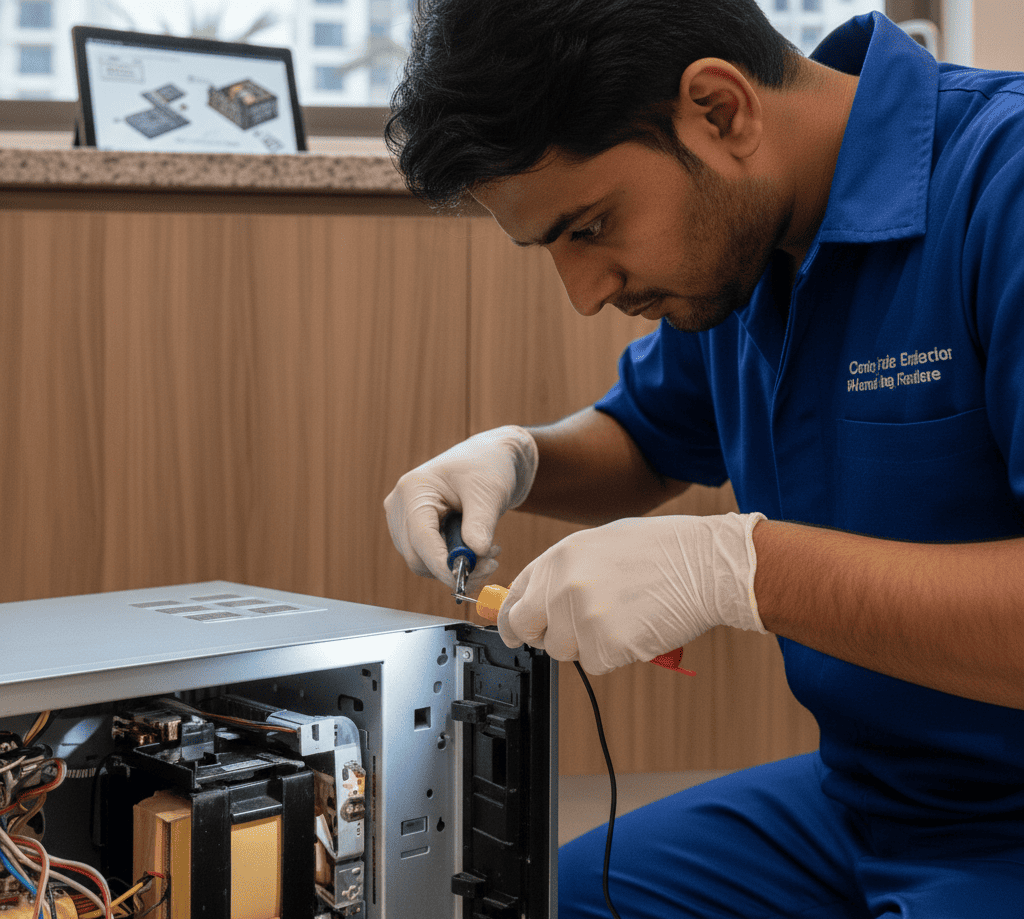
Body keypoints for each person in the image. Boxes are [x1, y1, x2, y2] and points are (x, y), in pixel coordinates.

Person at [383, 1, 1024, 915]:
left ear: (720, 110)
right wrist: (520, 460)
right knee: (529, 900)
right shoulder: (744, 246)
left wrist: (741, 570)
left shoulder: (1004, 185)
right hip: (864, 798)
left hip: (1006, 824)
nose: (585, 292)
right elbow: (647, 439)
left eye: (592, 225)